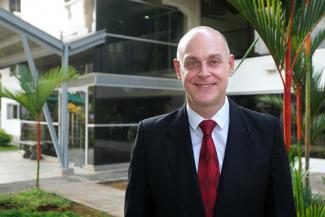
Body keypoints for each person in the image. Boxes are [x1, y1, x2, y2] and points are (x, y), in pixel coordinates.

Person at [124, 26, 296, 217]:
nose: (204, 72)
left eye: (214, 61)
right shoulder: (149, 136)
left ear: (230, 65)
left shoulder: (267, 132)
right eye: (192, 63)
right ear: (178, 69)